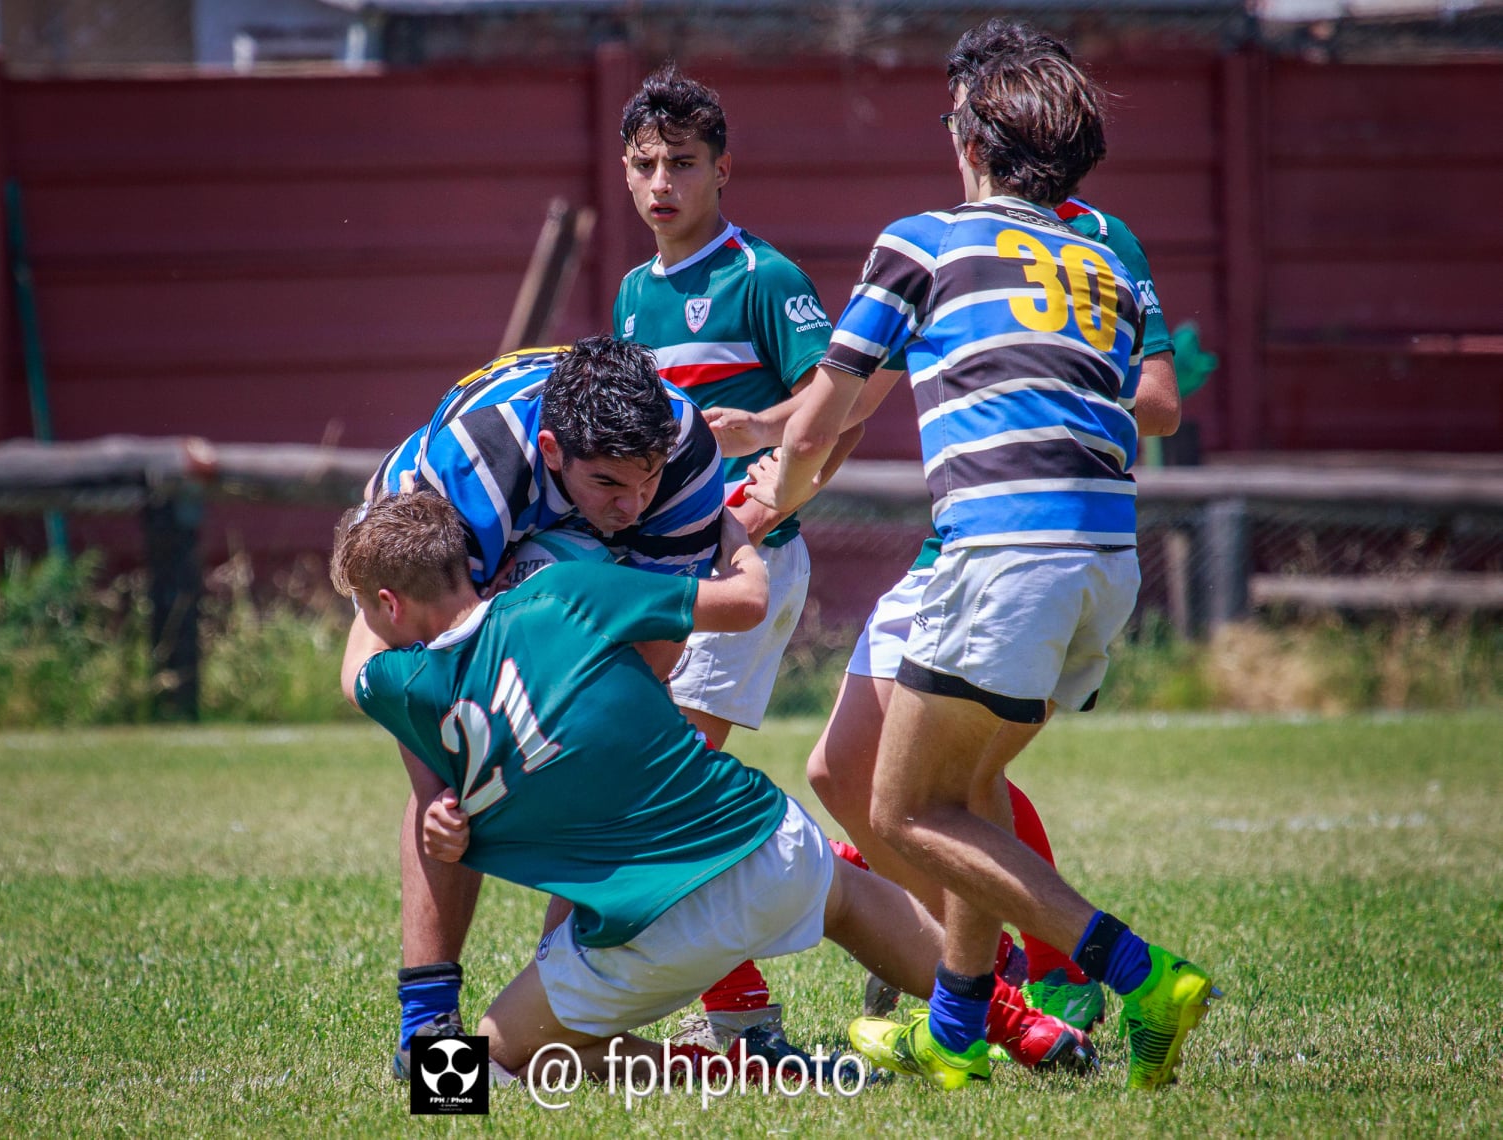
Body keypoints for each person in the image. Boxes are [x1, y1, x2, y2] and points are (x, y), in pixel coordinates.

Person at [753, 41, 1217, 1091]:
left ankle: (1137, 972)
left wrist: (765, 505)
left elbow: (827, 410)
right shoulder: (1099, 261)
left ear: (969, 141)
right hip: (1103, 557)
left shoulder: (920, 241)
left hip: (1005, 553)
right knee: (967, 789)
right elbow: (1132, 402)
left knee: (911, 808)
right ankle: (957, 1030)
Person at [334, 490, 956, 1085]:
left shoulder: (404, 685)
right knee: (845, 898)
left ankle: (718, 1070)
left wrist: (376, 503)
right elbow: (745, 600)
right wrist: (735, 539)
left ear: (388, 605)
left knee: (465, 1070)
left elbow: (355, 669)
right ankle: (999, 1018)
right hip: (768, 846)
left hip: (643, 936)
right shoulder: (562, 590)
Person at [359, 336, 726, 1077]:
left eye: (646, 480)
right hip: (433, 533)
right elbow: (411, 675)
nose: (634, 504)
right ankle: (428, 1031)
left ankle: (543, 1019)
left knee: (596, 756)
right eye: (609, 485)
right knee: (456, 779)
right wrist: (441, 795)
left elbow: (652, 656)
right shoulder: (470, 470)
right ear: (554, 450)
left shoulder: (683, 452)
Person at [610, 61, 869, 1064]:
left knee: (661, 785)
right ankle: (869, 890)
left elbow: (835, 415)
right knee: (657, 785)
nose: (662, 181)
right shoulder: (636, 293)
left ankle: (748, 1021)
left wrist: (764, 494)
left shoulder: (763, 278)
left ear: (724, 170)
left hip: (744, 569)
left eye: (682, 162)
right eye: (645, 164)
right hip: (672, 575)